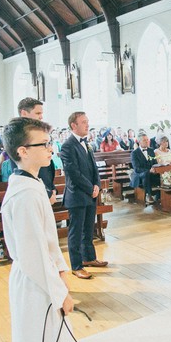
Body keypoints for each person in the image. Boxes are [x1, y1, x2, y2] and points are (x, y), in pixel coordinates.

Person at [0, 117, 75, 342]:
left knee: (53, 340)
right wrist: (60, 293)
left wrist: (62, 272)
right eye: (43, 144)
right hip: (36, 283)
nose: (50, 148)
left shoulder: (31, 183)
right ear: (22, 151)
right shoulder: (25, 195)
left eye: (49, 142)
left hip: (43, 278)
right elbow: (34, 255)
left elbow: (47, 240)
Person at [59, 112, 108, 280]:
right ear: (74, 125)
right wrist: (90, 188)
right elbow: (73, 173)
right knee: (76, 231)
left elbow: (94, 168)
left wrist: (97, 186)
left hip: (90, 193)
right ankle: (77, 265)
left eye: (87, 121)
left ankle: (89, 258)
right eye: (84, 122)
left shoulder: (87, 143)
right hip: (77, 194)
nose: (88, 125)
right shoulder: (67, 146)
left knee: (89, 228)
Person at [6, 97, 57, 203]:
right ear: (24, 113)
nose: (41, 116)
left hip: (42, 188)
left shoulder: (38, 134)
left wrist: (52, 189)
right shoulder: (18, 136)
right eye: (38, 113)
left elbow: (45, 169)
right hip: (34, 190)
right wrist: (47, 193)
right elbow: (23, 168)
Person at [130, 133, 159, 203]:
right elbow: (136, 168)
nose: (147, 141)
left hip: (151, 173)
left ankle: (160, 195)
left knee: (162, 176)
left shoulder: (151, 150)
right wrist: (149, 171)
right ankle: (149, 195)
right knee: (146, 174)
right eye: (144, 140)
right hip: (139, 174)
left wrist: (156, 168)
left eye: (147, 140)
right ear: (139, 142)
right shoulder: (134, 153)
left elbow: (155, 163)